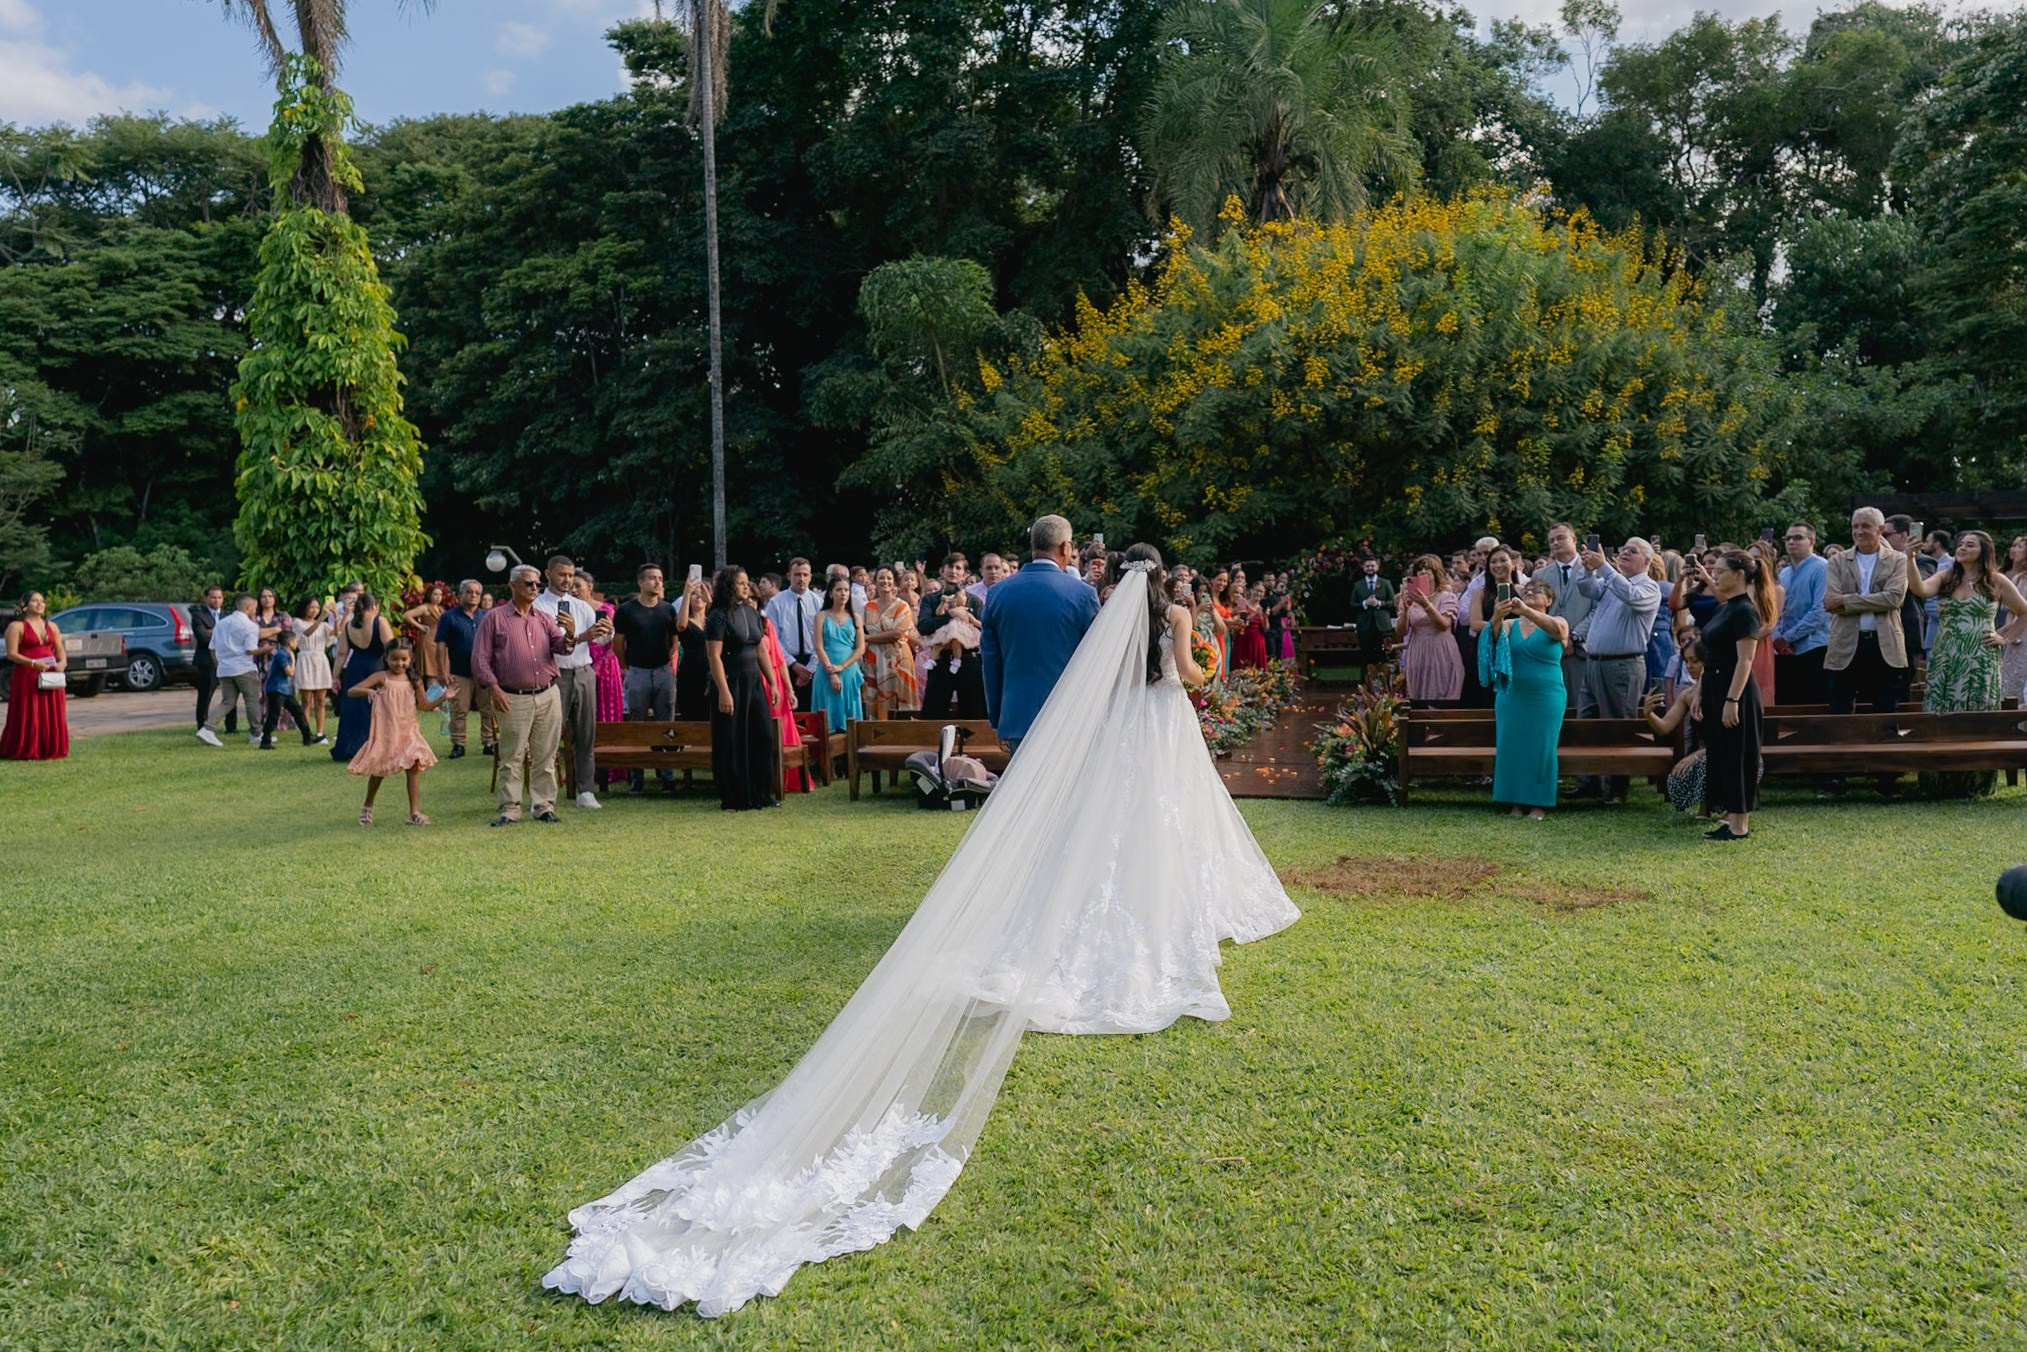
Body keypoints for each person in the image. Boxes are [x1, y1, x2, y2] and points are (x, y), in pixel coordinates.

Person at [544, 544, 1297, 1317]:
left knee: (1100, 838)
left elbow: (1027, 664)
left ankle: (1084, 918)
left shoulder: (1084, 608)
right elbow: (1193, 673)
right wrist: (1201, 656)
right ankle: (1155, 915)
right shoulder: (1126, 607)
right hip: (1158, 726)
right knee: (1151, 829)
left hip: (1104, 729)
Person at [1904, 530, 2027, 798]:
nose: (1962, 547)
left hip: (1980, 660)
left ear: (1984, 551)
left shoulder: (1997, 581)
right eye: (1960, 544)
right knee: (1942, 712)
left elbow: (2024, 612)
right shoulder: (1947, 576)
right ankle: (1939, 782)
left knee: (1976, 714)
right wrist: (1910, 557)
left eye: (1970, 545)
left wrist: (2004, 638)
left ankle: (1975, 782)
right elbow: (1919, 589)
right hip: (1946, 657)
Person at [979, 514, 1102, 752]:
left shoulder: (997, 594)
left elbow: (991, 664)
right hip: (1071, 716)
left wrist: (998, 719)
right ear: (1065, 547)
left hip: (1018, 715)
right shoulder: (1082, 594)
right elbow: (1096, 659)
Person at [473, 565, 572, 826]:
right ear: (512, 585)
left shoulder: (543, 618)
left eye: (537, 584)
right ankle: (510, 808)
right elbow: (480, 659)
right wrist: (493, 688)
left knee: (546, 755)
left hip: (547, 694)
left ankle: (543, 805)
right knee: (512, 755)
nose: (534, 588)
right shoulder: (494, 618)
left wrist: (571, 634)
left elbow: (561, 647)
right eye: (529, 583)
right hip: (511, 696)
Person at [1821, 507, 1908, 797]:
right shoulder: (1836, 561)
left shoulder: (1897, 560)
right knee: (1840, 711)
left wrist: (1847, 600)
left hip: (1884, 646)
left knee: (1886, 711)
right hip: (1846, 644)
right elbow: (1829, 603)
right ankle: (1836, 776)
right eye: (1855, 526)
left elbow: (1895, 599)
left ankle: (1886, 778)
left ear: (1880, 529)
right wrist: (1871, 600)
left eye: (1866, 526)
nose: (1859, 531)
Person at [1572, 538, 1663, 803]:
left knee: (1617, 726)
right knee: (1586, 722)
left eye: (1631, 551)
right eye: (1622, 549)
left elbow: (1631, 596)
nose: (1623, 553)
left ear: (1646, 561)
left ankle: (1617, 788)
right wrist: (1589, 567)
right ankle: (1589, 782)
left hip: (1623, 665)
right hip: (1594, 662)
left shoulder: (1649, 587)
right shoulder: (1612, 583)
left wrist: (1605, 568)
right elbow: (1586, 588)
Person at [1698, 549, 1776, 841]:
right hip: (1716, 686)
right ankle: (1731, 817)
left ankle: (1739, 824)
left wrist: (1732, 701)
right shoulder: (1724, 608)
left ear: (1739, 574)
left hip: (1736, 690)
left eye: (1720, 570)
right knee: (1722, 752)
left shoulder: (1745, 610)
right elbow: (1712, 656)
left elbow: (1745, 660)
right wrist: (1699, 693)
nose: (1714, 574)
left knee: (1738, 754)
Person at [1482, 576, 1569, 819]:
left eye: (1537, 590)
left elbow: (1558, 632)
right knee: (1512, 746)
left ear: (1549, 600)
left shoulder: (1558, 621)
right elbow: (1494, 638)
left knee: (1542, 747)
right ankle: (1515, 802)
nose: (1529, 592)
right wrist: (1497, 616)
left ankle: (1539, 803)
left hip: (1546, 697)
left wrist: (1527, 610)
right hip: (1513, 696)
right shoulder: (1511, 625)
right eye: (1526, 590)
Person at [533, 555, 608, 810]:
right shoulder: (539, 607)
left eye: (570, 575)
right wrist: (582, 635)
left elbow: (598, 641)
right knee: (549, 737)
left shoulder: (581, 606)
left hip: (583, 671)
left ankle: (585, 790)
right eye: (562, 575)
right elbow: (547, 645)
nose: (567, 580)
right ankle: (544, 794)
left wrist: (604, 631)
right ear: (548, 574)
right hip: (556, 674)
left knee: (586, 734)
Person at [344, 640, 445, 825]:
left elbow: (425, 706)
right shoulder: (382, 677)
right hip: (387, 733)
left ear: (411, 658)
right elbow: (352, 691)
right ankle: (368, 805)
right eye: (395, 659)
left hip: (409, 732)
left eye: (404, 659)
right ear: (386, 658)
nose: (400, 664)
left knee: (413, 767)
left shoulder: (415, 680)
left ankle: (414, 812)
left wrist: (445, 697)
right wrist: (367, 691)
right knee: (379, 771)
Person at [704, 566, 778, 811]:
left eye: (748, 582)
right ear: (728, 586)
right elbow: (714, 656)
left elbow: (760, 649)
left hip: (754, 681)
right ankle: (736, 797)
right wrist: (723, 691)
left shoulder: (751, 611)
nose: (747, 587)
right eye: (741, 583)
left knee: (763, 735)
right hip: (730, 680)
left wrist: (773, 682)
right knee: (732, 738)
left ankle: (760, 794)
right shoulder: (718, 616)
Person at [613, 564, 681, 794]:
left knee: (666, 724)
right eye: (652, 578)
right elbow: (618, 644)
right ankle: (637, 776)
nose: (658, 582)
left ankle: (667, 775)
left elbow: (675, 640)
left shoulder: (668, 610)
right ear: (640, 582)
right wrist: (627, 666)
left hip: (663, 671)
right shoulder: (626, 610)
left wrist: (668, 659)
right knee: (638, 725)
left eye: (660, 578)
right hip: (638, 671)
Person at [915, 553, 988, 719]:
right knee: (933, 714)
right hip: (940, 660)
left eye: (958, 568)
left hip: (969, 660)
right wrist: (950, 615)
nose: (954, 571)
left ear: (964, 574)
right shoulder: (931, 600)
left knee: (974, 714)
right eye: (950, 567)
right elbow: (924, 627)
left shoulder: (974, 601)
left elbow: (985, 630)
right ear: (942, 571)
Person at [1643, 637, 1709, 813]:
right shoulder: (1688, 695)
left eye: (1694, 661)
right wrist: (1648, 714)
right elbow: (1665, 727)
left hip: (1724, 752)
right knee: (1677, 784)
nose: (1689, 666)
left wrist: (1695, 756)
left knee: (1705, 765)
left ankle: (1712, 808)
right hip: (1700, 754)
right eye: (1686, 661)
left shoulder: (1724, 693)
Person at [2, 591, 68, 761]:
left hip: (51, 674)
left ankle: (50, 748)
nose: (40, 604)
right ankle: (28, 748)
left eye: (42, 601)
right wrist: (33, 663)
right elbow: (11, 654)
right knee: (30, 711)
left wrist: (61, 664)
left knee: (51, 711)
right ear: (24, 605)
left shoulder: (52, 626)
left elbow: (61, 652)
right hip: (27, 676)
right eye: (35, 601)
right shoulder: (16, 627)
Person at [434, 579, 495, 759]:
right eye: (469, 592)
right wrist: (442, 671)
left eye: (477, 592)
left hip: (485, 671)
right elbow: (440, 645)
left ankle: (489, 743)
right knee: (459, 710)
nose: (473, 595)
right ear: (460, 595)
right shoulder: (449, 617)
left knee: (488, 709)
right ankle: (458, 745)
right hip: (459, 671)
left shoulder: (487, 616)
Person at [576, 572, 626, 788]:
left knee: (607, 715)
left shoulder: (605, 609)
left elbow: (611, 643)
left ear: (589, 585)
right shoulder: (569, 609)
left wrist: (597, 666)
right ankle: (585, 769)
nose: (574, 590)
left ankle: (612, 768)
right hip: (579, 664)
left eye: (578, 585)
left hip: (605, 667)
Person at [1771, 524, 1830, 705]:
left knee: (1812, 706)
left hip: (1814, 647)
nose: (1791, 542)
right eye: (1788, 538)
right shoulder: (1785, 573)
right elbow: (1777, 610)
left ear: (1812, 541)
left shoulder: (1823, 568)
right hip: (1784, 651)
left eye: (1797, 538)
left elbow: (1820, 611)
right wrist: (1778, 637)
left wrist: (1788, 637)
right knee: (1786, 705)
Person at [329, 593, 391, 763]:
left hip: (354, 668)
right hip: (375, 668)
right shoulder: (380, 622)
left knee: (353, 709)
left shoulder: (349, 626)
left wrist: (335, 677)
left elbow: (341, 653)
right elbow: (390, 646)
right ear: (374, 606)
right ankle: (375, 747)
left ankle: (350, 747)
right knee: (374, 708)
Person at [199, 594, 265, 748]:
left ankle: (207, 728)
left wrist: (219, 665)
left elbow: (212, 648)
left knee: (228, 701)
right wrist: (265, 649)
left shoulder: (221, 624)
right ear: (248, 608)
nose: (255, 611)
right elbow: (250, 650)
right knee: (252, 700)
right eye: (254, 608)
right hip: (244, 668)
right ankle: (256, 733)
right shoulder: (250, 626)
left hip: (225, 668)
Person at [1397, 555, 1464, 704]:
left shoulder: (1447, 597)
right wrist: (1406, 609)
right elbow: (1401, 632)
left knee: (1442, 698)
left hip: (1441, 650)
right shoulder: (1409, 599)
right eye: (1419, 569)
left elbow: (1444, 625)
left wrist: (1426, 604)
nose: (1423, 572)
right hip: (1418, 650)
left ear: (1436, 574)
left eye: (1427, 568)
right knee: (1418, 700)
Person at [1543, 524, 1594, 706]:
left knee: (1581, 707)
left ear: (1574, 540)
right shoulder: (1539, 575)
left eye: (1560, 538)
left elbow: (1598, 610)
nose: (1556, 543)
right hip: (1550, 650)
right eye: (1551, 540)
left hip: (1582, 650)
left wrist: (1573, 636)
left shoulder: (1593, 571)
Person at [809, 574, 866, 734]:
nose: (843, 593)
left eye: (846, 590)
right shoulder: (821, 616)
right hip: (825, 671)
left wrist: (842, 666)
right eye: (839, 590)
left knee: (850, 722)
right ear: (830, 593)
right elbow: (819, 647)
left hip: (849, 671)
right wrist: (831, 671)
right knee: (826, 720)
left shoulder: (856, 617)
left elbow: (860, 648)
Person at [861, 566, 920, 718]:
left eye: (889, 578)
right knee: (877, 699)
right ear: (874, 581)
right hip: (874, 659)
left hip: (898, 657)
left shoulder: (902, 606)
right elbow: (862, 629)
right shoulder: (868, 606)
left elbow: (897, 633)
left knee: (901, 698)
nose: (885, 581)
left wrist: (867, 638)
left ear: (894, 582)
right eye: (881, 578)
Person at [763, 558, 820, 709]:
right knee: (788, 710)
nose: (801, 579)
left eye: (805, 575)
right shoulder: (776, 603)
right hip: (785, 663)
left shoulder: (819, 603)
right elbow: (773, 638)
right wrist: (793, 664)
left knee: (813, 713)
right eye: (797, 574)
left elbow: (823, 638)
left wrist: (810, 667)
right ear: (789, 576)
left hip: (813, 663)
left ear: (810, 577)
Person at [258, 628, 326, 750]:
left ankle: (307, 736)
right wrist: (294, 660)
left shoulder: (284, 653)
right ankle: (265, 741)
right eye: (295, 641)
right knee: (274, 716)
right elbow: (290, 672)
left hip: (285, 690)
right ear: (289, 642)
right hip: (276, 690)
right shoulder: (281, 655)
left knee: (298, 712)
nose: (296, 644)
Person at [294, 597, 335, 741]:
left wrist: (337, 616)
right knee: (306, 700)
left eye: (317, 608)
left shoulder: (323, 625)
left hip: (320, 660)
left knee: (321, 699)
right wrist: (322, 618)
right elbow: (307, 633)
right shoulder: (297, 622)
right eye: (311, 607)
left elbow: (336, 633)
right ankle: (307, 733)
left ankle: (320, 733)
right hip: (305, 659)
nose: (315, 611)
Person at [674, 574, 714, 721]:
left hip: (711, 668)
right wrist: (687, 593)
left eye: (701, 595)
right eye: (694, 595)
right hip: (690, 670)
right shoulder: (685, 620)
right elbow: (681, 625)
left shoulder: (712, 620)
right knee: (691, 712)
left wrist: (705, 591)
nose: (698, 597)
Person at [190, 586, 223, 730]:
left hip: (226, 660)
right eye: (213, 597)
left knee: (230, 694)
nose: (216, 600)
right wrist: (222, 633)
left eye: (219, 597)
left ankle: (231, 726)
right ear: (206, 599)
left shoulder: (228, 615)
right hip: (206, 662)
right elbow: (202, 636)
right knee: (205, 695)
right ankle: (202, 725)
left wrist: (213, 632)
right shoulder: (198, 615)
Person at [403, 582, 449, 687]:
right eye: (435, 594)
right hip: (429, 642)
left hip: (441, 643)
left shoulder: (441, 609)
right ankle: (431, 700)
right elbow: (407, 615)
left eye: (440, 595)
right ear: (430, 595)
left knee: (441, 672)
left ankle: (440, 700)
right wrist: (420, 626)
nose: (438, 597)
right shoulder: (425, 608)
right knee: (431, 672)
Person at [2001, 534, 2027, 704]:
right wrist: (2009, 634)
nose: (2014, 549)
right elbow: (2010, 611)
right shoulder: (2018, 579)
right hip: (2020, 635)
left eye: (2020, 546)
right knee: (2013, 680)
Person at [1228, 566, 1269, 670]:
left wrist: (1265, 617)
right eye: (1257, 590)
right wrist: (1254, 615)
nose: (1258, 593)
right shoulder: (1242, 603)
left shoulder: (1262, 607)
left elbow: (1266, 628)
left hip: (1258, 641)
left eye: (1261, 592)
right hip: (1243, 639)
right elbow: (1243, 621)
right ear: (1251, 590)